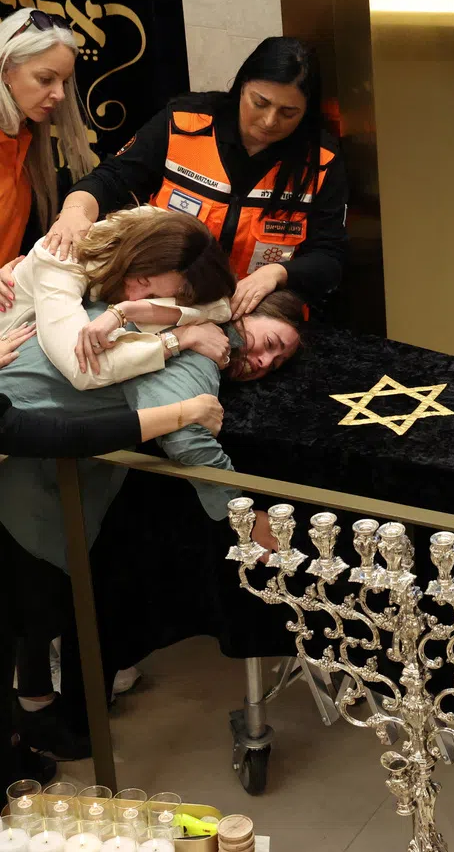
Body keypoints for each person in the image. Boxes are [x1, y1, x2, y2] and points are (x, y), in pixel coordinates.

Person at [0, 290, 301, 765]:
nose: (263, 360)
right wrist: (242, 515)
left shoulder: (125, 306)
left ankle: (33, 710)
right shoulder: (201, 351)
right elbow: (184, 440)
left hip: (25, 465)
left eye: (276, 359)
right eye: (267, 342)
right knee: (31, 608)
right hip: (24, 489)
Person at [46, 37, 348, 315]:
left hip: (256, 314)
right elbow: (111, 178)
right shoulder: (185, 122)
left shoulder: (321, 161)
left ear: (306, 111)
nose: (270, 121)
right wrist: (74, 211)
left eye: (288, 113)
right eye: (260, 103)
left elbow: (329, 259)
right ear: (242, 86)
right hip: (158, 301)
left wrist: (277, 274)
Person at [0, 206, 236, 390]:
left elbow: (221, 306)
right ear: (134, 255)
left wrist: (127, 312)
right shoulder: (59, 257)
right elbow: (83, 371)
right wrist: (181, 337)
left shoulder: (167, 232)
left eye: (154, 296)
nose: (137, 297)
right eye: (141, 282)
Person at [0, 9, 97, 265]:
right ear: (6, 69)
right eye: (45, 79)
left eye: (63, 82)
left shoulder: (21, 140)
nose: (60, 95)